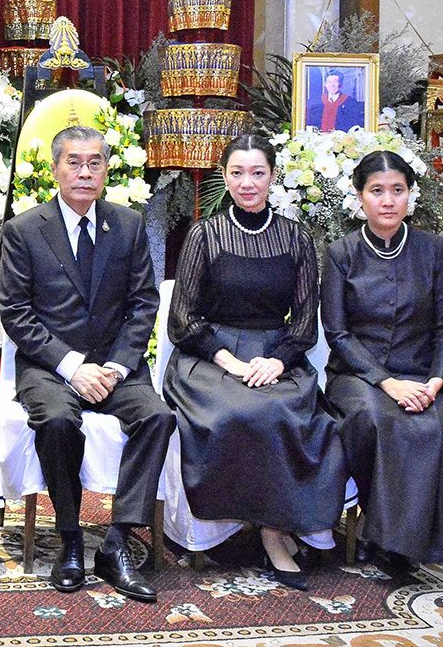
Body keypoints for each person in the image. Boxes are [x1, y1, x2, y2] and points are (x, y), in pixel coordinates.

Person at [0, 125, 174, 604]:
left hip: (116, 366)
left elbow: (143, 304)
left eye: (95, 162)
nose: (84, 172)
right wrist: (72, 365)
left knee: (158, 417)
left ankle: (116, 542)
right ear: (55, 170)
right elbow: (15, 312)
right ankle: (71, 537)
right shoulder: (24, 230)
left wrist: (115, 367)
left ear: (106, 170)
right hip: (51, 367)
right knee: (56, 420)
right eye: (73, 162)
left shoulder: (129, 225)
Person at [164, 134, 346, 591]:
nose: (248, 183)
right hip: (209, 356)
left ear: (273, 177)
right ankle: (224, 532)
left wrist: (278, 362)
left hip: (277, 354)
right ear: (225, 177)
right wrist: (229, 359)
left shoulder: (295, 237)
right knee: (237, 411)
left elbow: (305, 320)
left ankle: (275, 529)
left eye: (258, 173)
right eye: (238, 173)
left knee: (303, 416)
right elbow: (181, 319)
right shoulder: (204, 234)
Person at [322, 150, 443, 568]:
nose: (388, 200)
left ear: (411, 196)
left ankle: (423, 540)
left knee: (434, 421)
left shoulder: (434, 250)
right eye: (377, 191)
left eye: (398, 190)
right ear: (360, 198)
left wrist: (435, 380)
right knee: (379, 418)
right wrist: (387, 383)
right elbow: (337, 334)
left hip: (422, 373)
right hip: (357, 376)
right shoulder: (341, 253)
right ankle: (386, 539)